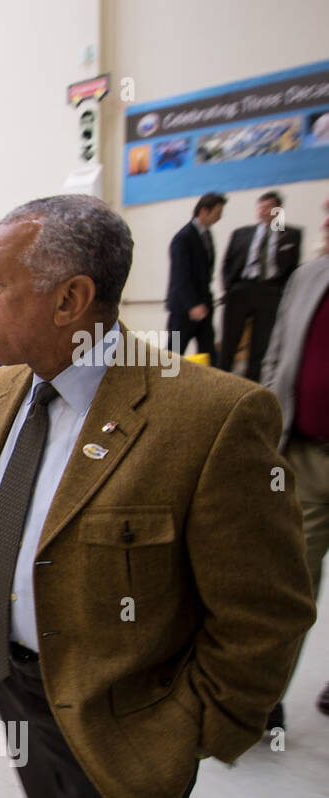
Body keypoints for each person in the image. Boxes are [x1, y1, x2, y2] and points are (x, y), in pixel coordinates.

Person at [0, 194, 315, 798]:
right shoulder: (11, 385)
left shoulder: (211, 419)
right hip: (13, 685)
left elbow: (266, 616)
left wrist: (177, 738)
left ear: (71, 299)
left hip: (123, 723)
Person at [261, 197, 329, 720]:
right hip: (305, 456)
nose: (325, 220)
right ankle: (267, 700)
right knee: (292, 584)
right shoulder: (307, 278)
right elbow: (277, 355)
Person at [219, 190, 303, 378]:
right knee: (229, 343)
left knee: (261, 345)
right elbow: (228, 263)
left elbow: (292, 267)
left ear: (278, 210)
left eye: (269, 207)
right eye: (261, 207)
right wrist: (229, 288)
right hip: (241, 290)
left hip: (271, 291)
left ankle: (252, 387)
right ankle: (221, 381)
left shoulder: (291, 234)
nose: (264, 211)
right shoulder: (241, 233)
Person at [166, 191, 225, 360]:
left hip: (204, 305)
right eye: (217, 213)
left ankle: (208, 386)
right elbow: (180, 275)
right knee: (173, 355)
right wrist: (192, 305)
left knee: (208, 353)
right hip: (184, 308)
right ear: (204, 211)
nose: (219, 218)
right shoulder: (183, 238)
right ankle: (164, 385)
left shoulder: (206, 235)